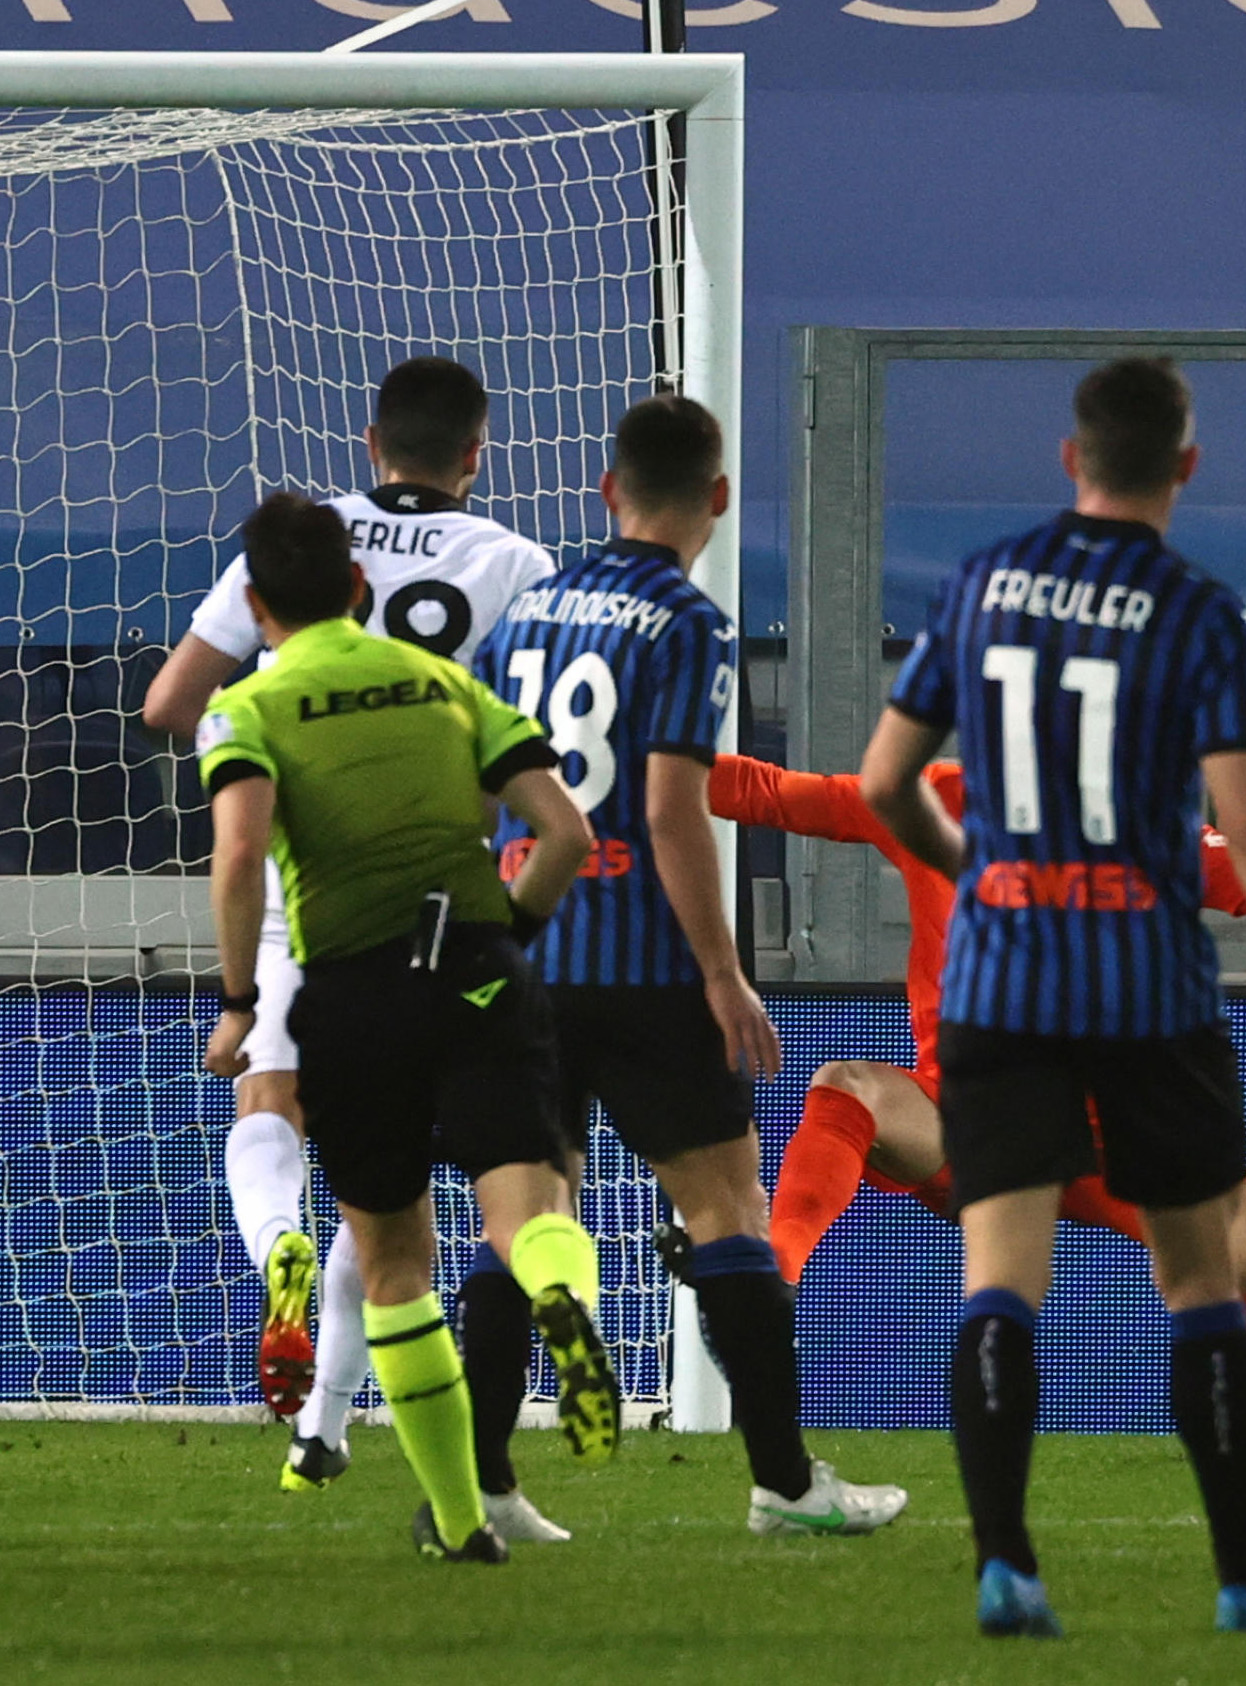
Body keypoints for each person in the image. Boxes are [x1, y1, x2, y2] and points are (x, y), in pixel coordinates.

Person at [861, 356, 1246, 1637]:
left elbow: (887, 785)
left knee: (1000, 1285)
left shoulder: (981, 584)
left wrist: (979, 878)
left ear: (1071, 458)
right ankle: (1240, 1574)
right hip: (1150, 991)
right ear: (1187, 467)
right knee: (1201, 1287)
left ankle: (1004, 1563)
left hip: (1002, 986)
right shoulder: (1206, 615)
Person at [708, 752, 1246, 1459]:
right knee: (846, 1086)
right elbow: (760, 792)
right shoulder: (933, 798)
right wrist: (616, 754)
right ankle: (765, 1291)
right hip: (968, 1123)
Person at [471, 393, 905, 1541]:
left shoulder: (524, 614)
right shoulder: (686, 623)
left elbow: (482, 791)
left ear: (607, 490)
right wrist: (722, 974)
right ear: (717, 498)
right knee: (725, 1212)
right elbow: (673, 811)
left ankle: (483, 1492)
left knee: (523, 1220)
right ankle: (784, 1482)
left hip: (525, 949)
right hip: (648, 965)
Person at [142, 357, 561, 1507]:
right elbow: (536, 741)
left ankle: (274, 1255)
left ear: (370, 440)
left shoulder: (300, 550)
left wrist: (264, 723)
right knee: (402, 1177)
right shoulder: (520, 564)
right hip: (443, 890)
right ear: (477, 453)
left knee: (278, 1106)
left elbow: (170, 705)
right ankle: (326, 1424)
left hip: (299, 868)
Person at [194, 492, 610, 1563]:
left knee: (393, 1266)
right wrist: (506, 939)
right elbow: (565, 832)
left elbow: (240, 859)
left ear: (254, 603)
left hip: (351, 998)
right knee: (524, 1206)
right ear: (360, 588)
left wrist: (241, 1002)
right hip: (476, 973)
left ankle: (463, 1524)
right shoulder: (449, 684)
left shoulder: (247, 707)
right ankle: (563, 1294)